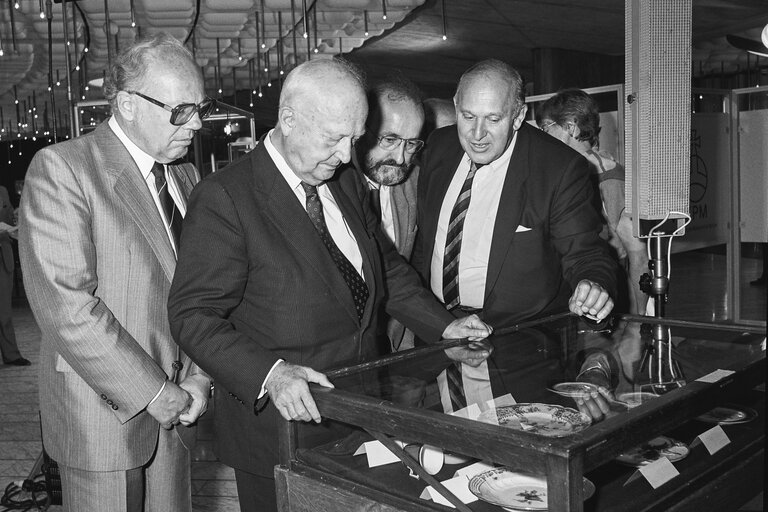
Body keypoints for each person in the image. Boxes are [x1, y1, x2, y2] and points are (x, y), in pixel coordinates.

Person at [167, 58, 493, 512]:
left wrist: (444, 326)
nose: (345, 155)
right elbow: (192, 315)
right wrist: (272, 374)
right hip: (282, 428)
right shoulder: (226, 197)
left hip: (361, 413)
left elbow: (386, 268)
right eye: (334, 138)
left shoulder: (342, 182)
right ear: (289, 120)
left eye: (355, 139)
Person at [19, 33, 212, 511]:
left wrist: (199, 378)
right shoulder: (64, 168)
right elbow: (67, 306)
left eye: (201, 107)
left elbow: (203, 290)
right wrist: (153, 391)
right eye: (181, 109)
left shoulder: (185, 175)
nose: (198, 123)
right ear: (127, 104)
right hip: (104, 415)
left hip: (180, 407)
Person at [411, 59, 618, 410]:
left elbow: (585, 253)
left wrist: (593, 283)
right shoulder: (439, 147)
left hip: (517, 347)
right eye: (468, 116)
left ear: (518, 116)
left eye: (493, 119)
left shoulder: (558, 168)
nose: (477, 134)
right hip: (437, 336)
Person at [537, 88, 651, 315]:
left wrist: (638, 319)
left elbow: (637, 254)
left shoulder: (608, 176)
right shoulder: (563, 173)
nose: (541, 136)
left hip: (605, 294)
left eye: (546, 128)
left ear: (570, 127)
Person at [350, 76, 425, 351]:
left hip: (399, 342)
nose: (401, 158)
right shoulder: (331, 186)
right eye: (390, 139)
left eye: (411, 144)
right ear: (360, 130)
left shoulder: (414, 180)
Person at [0, 185, 29, 367]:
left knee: (4, 313)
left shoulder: (2, 191)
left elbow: (10, 219)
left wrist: (17, 218)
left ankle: (11, 355)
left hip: (3, 258)